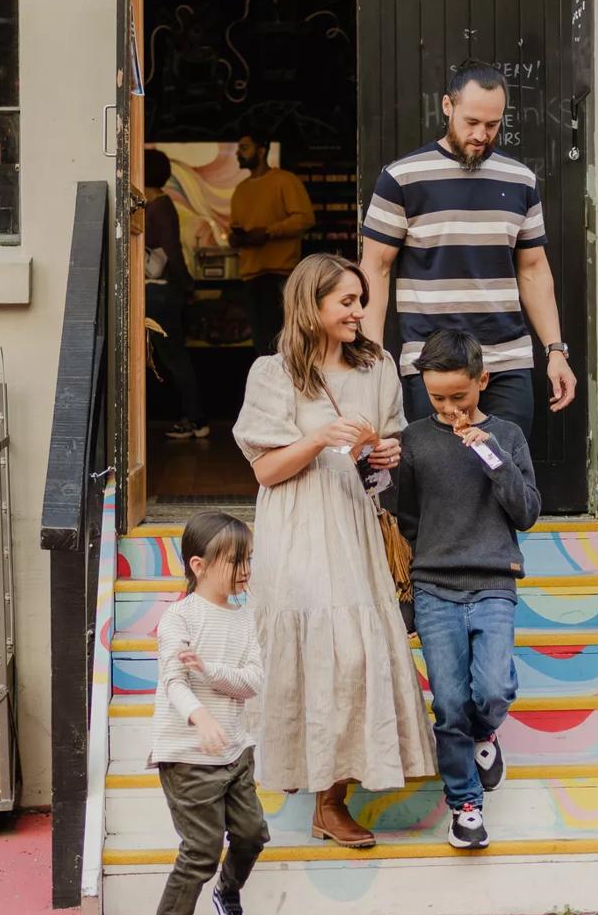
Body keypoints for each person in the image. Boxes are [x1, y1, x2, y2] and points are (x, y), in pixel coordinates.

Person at [232, 253, 435, 848]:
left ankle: (332, 797)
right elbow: (267, 471)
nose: (358, 311)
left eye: (360, 300)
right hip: (297, 525)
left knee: (354, 656)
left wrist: (388, 455)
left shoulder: (379, 367)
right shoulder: (273, 374)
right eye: (346, 301)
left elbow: (387, 446)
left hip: (354, 520)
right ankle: (306, 775)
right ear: (310, 305)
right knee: (317, 651)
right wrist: (319, 436)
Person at [358, 59, 577, 441]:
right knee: (442, 483)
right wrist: (373, 356)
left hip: (507, 360)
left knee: (506, 474)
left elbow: (533, 270)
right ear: (448, 106)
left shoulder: (521, 180)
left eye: (492, 125)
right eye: (471, 122)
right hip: (434, 365)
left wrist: (555, 350)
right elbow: (374, 268)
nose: (481, 134)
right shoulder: (401, 178)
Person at [396, 329, 541, 851]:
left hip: (493, 581)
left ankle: (486, 734)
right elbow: (406, 519)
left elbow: (526, 512)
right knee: (450, 701)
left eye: (460, 395)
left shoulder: (506, 436)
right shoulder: (414, 440)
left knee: (494, 689)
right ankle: (466, 807)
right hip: (435, 584)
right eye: (437, 397)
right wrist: (409, 588)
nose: (449, 406)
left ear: (483, 380)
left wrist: (493, 457)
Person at [142, 510, 269, 915]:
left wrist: (212, 673)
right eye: (234, 560)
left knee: (253, 833)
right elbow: (174, 680)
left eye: (247, 559)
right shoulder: (179, 617)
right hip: (188, 756)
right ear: (199, 565)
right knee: (201, 848)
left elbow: (252, 680)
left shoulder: (245, 617)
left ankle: (228, 891)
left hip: (234, 751)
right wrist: (199, 715)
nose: (244, 570)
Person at [229, 134, 315, 356]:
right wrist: (236, 238)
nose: (239, 153)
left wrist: (269, 232)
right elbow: (236, 226)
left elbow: (305, 218)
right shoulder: (240, 190)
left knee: (285, 343)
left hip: (281, 273)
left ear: (261, 150)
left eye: (245, 147)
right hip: (250, 273)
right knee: (261, 344)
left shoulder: (284, 180)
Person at [143, 150, 208, 441]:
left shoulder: (158, 206)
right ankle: (192, 417)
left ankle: (195, 419)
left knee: (174, 358)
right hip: (162, 293)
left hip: (160, 293)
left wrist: (186, 284)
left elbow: (172, 251)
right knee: (172, 358)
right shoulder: (156, 205)